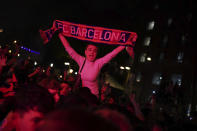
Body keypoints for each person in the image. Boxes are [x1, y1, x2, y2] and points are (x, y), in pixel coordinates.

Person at [58, 33, 126, 97]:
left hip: (93, 96)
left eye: (95, 51)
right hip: (81, 95)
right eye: (90, 50)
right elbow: (69, 49)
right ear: (85, 52)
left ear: (96, 54)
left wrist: (125, 43)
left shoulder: (98, 63)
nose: (92, 52)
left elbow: (112, 54)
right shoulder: (81, 60)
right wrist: (60, 35)